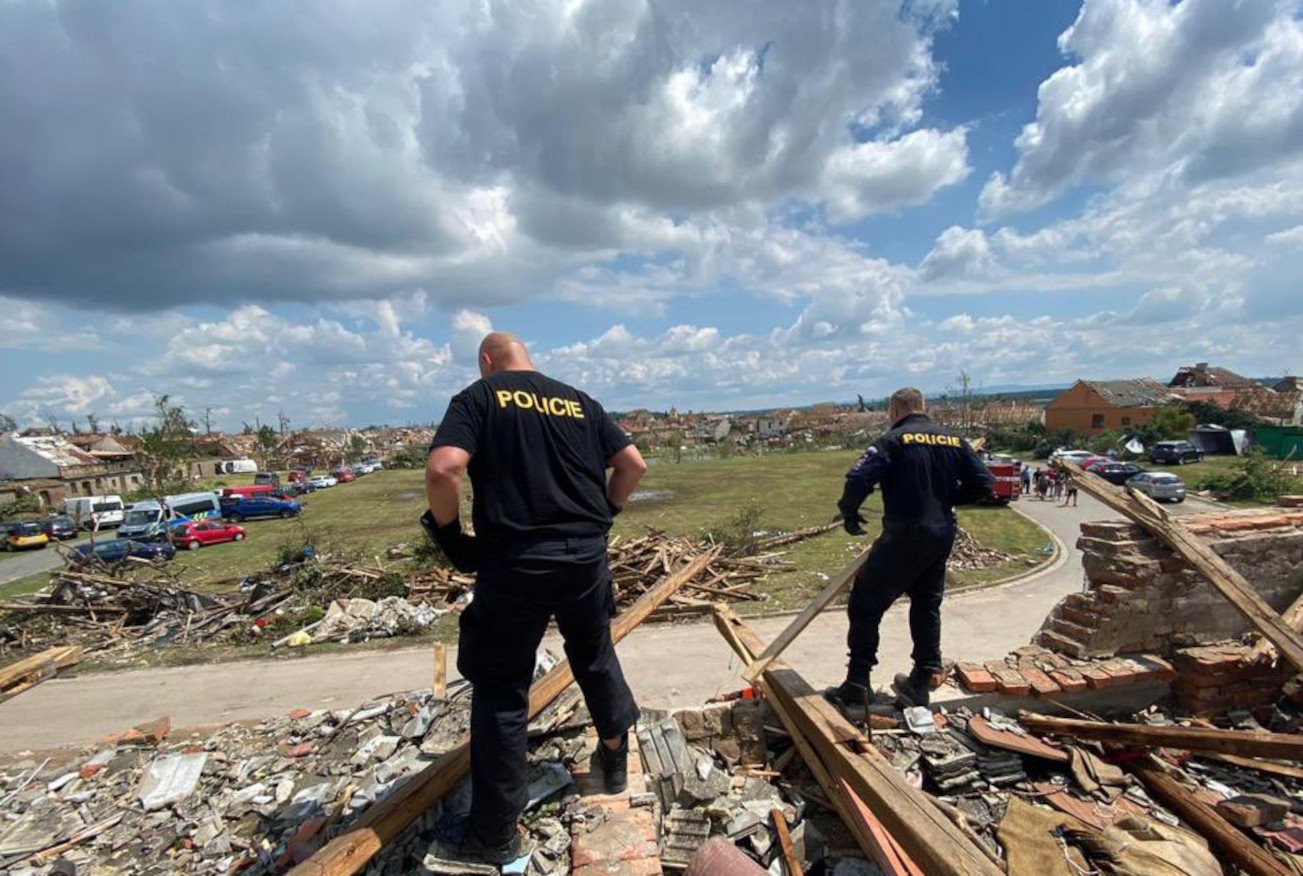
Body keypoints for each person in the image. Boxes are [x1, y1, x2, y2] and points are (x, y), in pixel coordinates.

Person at [423, 332, 648, 866]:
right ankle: (613, 760)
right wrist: (602, 516)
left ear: (486, 361)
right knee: (593, 654)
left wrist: (451, 538)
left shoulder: (479, 398)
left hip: (515, 561)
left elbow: (444, 468)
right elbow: (633, 465)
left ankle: (496, 833)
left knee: (502, 690)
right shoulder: (578, 400)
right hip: (584, 557)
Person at [828, 387, 995, 710]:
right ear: (923, 407)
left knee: (865, 604)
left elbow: (858, 478)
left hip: (904, 535)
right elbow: (984, 485)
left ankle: (857, 683)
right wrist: (946, 499)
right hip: (941, 534)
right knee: (927, 605)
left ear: (894, 410)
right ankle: (920, 682)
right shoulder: (953, 440)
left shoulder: (893, 441)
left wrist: (850, 512)